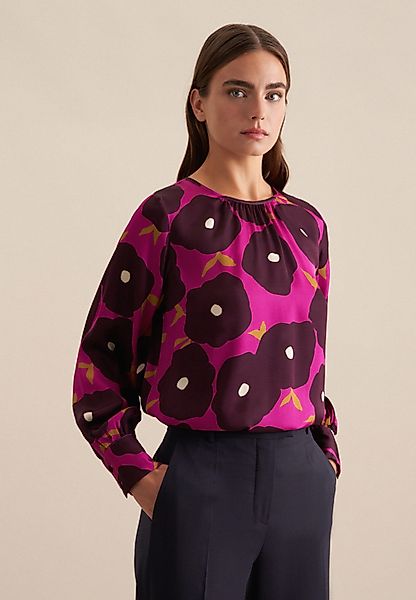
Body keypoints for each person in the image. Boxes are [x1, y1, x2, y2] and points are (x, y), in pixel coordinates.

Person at [72, 23, 341, 600]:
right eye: (237, 90)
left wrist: (325, 458)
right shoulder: (167, 217)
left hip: (301, 481)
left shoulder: (308, 226)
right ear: (199, 103)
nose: (258, 109)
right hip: (202, 477)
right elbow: (102, 357)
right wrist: (140, 476)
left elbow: (311, 359)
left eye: (274, 93)